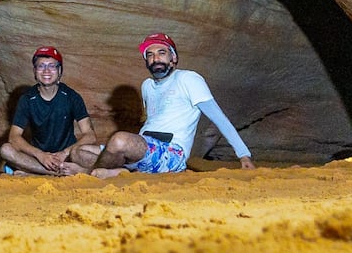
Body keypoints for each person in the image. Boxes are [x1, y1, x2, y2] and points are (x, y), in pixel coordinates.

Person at [81, 33, 256, 176]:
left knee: (120, 140)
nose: (155, 58)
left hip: (172, 152)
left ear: (173, 58)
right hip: (143, 148)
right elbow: (152, 122)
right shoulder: (147, 86)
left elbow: (219, 118)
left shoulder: (188, 79)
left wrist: (244, 155)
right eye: (150, 55)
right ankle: (123, 171)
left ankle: (94, 174)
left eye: (161, 53)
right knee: (80, 152)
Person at [0, 46, 98, 175]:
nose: (46, 71)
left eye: (52, 66)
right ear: (35, 71)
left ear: (59, 70)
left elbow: (90, 135)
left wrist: (65, 153)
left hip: (67, 157)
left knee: (81, 153)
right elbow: (14, 137)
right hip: (39, 158)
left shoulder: (71, 97)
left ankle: (37, 172)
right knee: (6, 150)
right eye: (41, 66)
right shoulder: (27, 99)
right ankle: (57, 173)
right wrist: (40, 155)